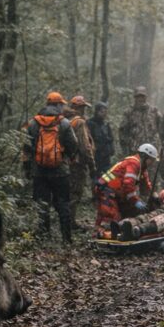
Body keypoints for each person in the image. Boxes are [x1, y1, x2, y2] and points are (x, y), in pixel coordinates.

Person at [24, 92, 79, 243]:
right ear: (57, 105)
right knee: (63, 204)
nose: (62, 107)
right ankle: (66, 239)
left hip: (39, 171)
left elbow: (26, 147)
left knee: (42, 204)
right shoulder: (64, 123)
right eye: (61, 104)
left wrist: (28, 168)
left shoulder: (33, 123)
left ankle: (43, 238)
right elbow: (74, 144)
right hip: (60, 171)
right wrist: (67, 156)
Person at [93, 143, 158, 236]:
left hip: (115, 193)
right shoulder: (133, 163)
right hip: (106, 191)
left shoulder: (142, 169)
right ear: (145, 156)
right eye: (151, 160)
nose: (152, 163)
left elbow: (146, 187)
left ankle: (107, 233)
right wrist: (135, 201)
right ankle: (102, 237)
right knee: (111, 218)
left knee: (129, 213)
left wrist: (154, 195)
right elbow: (128, 185)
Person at [63, 95, 97, 230]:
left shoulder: (64, 120)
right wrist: (92, 164)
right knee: (75, 193)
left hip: (65, 162)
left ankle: (67, 220)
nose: (84, 110)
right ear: (78, 108)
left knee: (67, 192)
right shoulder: (79, 122)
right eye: (83, 107)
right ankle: (69, 222)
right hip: (77, 163)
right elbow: (85, 146)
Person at [118, 86, 160, 155]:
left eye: (142, 96)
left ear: (146, 97)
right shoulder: (129, 112)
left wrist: (158, 141)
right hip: (135, 149)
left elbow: (162, 127)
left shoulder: (153, 111)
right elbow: (122, 131)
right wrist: (126, 146)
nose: (140, 99)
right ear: (135, 98)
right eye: (138, 97)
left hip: (151, 148)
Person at [88, 102, 115, 173]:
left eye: (105, 112)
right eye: (102, 112)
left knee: (109, 175)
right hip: (96, 155)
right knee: (96, 175)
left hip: (106, 156)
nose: (104, 114)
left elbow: (111, 138)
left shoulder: (106, 124)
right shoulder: (90, 123)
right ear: (97, 111)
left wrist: (111, 149)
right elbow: (88, 140)